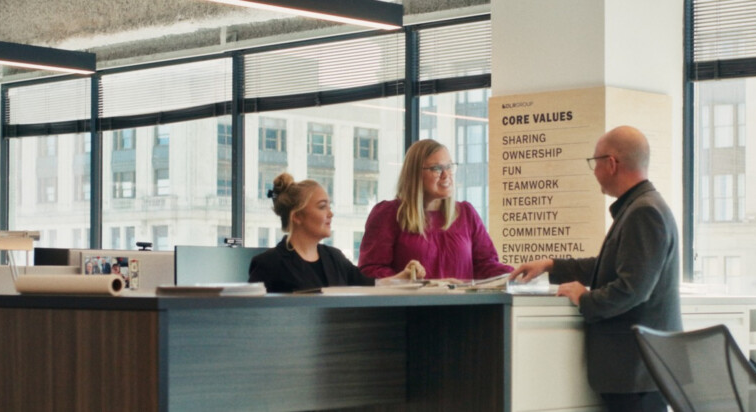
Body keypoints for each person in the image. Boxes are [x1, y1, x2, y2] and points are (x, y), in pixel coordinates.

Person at [509, 126, 681, 412]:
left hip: (636, 371)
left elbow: (632, 289)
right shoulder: (640, 206)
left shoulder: (643, 212)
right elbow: (608, 267)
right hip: (638, 371)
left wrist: (583, 297)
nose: (594, 171)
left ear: (612, 163)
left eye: (595, 162)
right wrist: (551, 266)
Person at [359, 139, 513, 282]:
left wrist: (519, 275)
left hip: (462, 309)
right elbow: (370, 272)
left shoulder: (466, 213)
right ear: (415, 173)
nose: (446, 175)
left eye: (449, 167)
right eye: (437, 168)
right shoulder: (388, 214)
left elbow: (486, 266)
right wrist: (404, 279)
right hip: (410, 309)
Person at [248, 173, 399, 293]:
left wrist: (403, 278)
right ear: (297, 216)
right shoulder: (268, 264)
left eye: (329, 206)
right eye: (322, 207)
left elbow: (371, 285)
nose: (330, 214)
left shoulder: (335, 257)